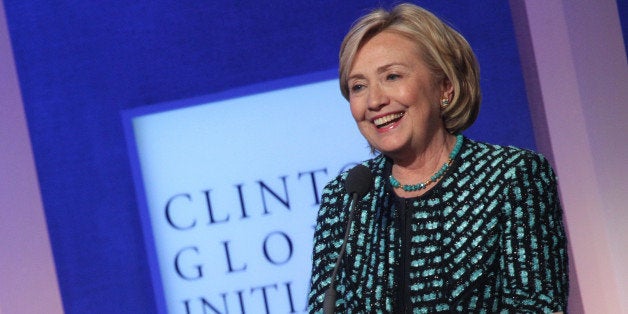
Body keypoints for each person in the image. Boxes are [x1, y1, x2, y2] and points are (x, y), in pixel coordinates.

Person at [308, 3, 568, 313]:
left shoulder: (511, 177)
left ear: (444, 87)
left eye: (392, 76)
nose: (375, 100)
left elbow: (535, 307)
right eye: (359, 86)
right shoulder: (345, 198)